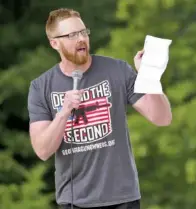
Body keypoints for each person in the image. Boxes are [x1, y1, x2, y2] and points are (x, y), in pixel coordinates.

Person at [27, 8, 172, 209]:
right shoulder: (41, 87)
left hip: (123, 199)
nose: (81, 39)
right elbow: (42, 150)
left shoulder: (117, 70)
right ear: (54, 43)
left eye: (83, 32)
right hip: (75, 202)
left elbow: (162, 118)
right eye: (71, 35)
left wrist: (149, 77)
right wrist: (64, 112)